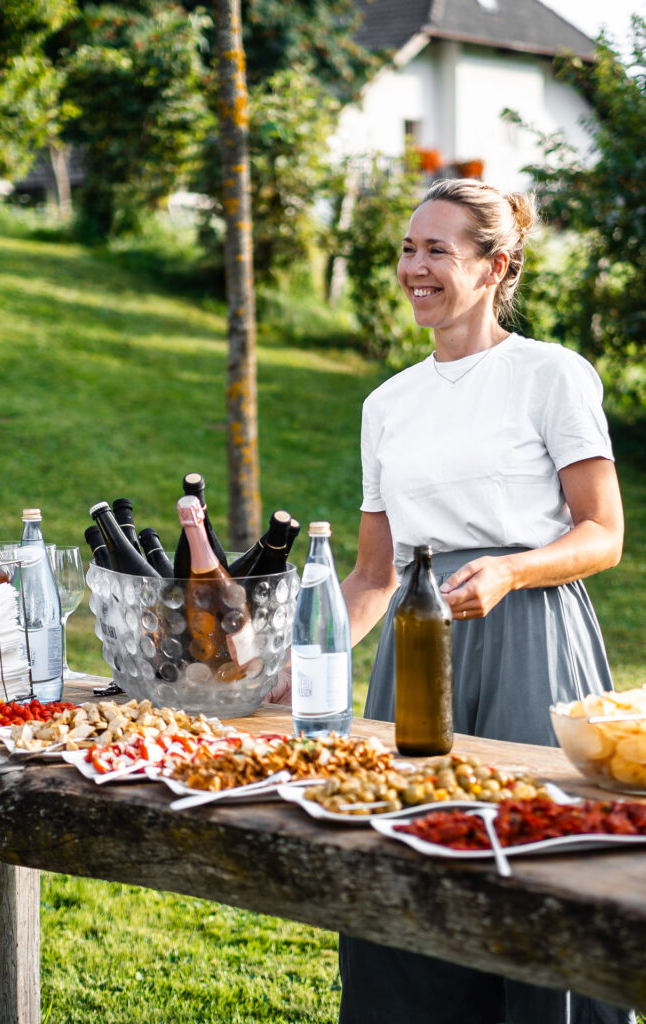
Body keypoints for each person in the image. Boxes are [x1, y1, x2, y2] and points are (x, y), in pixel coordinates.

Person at [268, 177, 629, 1024]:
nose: (414, 267)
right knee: (406, 852)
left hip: (530, 639)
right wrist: (302, 664)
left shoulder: (550, 374)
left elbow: (601, 534)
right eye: (406, 247)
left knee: (535, 859)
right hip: (412, 650)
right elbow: (370, 576)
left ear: (494, 264)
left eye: (437, 249)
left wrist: (510, 570)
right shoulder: (386, 403)